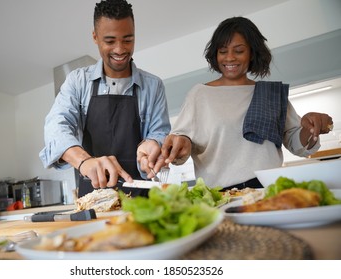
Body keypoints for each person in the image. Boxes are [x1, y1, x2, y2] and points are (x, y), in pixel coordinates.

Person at [161, 16, 333, 190]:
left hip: (267, 191)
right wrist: (179, 147)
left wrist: (310, 128)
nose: (229, 58)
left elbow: (297, 146)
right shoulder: (199, 95)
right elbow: (179, 143)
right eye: (222, 51)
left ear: (252, 53)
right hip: (220, 195)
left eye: (239, 50)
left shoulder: (271, 94)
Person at [39, 0, 170, 197]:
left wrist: (153, 145)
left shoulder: (153, 85)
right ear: (95, 37)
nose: (119, 49)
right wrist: (83, 161)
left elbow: (159, 132)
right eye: (110, 41)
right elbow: (56, 125)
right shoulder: (77, 81)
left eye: (128, 40)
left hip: (142, 195)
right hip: (93, 196)